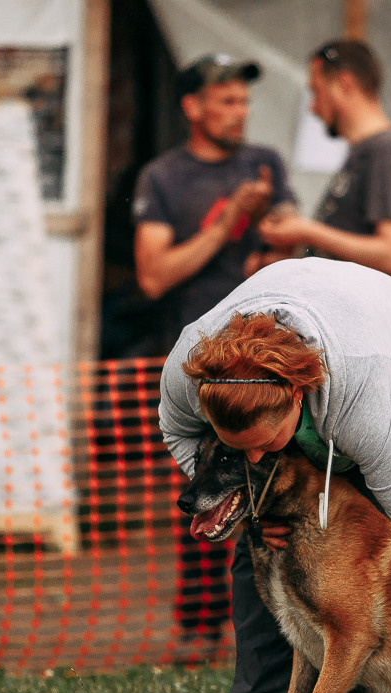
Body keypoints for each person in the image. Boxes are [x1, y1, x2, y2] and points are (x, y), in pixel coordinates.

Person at [159, 257, 391, 693]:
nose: (256, 459)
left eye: (266, 447)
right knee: (262, 547)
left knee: (350, 569)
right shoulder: (187, 371)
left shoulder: (366, 398)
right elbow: (177, 433)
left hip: (388, 344)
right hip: (306, 310)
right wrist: (252, 510)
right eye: (240, 450)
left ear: (297, 397)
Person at [132, 53, 298, 652]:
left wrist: (271, 250)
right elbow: (154, 275)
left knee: (281, 484)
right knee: (207, 487)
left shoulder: (266, 164)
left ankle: (283, 624)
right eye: (225, 101)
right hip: (199, 361)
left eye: (243, 101)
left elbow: (289, 245)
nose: (239, 112)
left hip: (265, 358)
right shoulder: (163, 178)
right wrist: (227, 221)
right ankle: (199, 630)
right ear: (192, 108)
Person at [258, 39, 391, 282]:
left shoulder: (386, 151)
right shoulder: (364, 153)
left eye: (316, 91)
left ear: (345, 84)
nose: (312, 107)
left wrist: (308, 231)